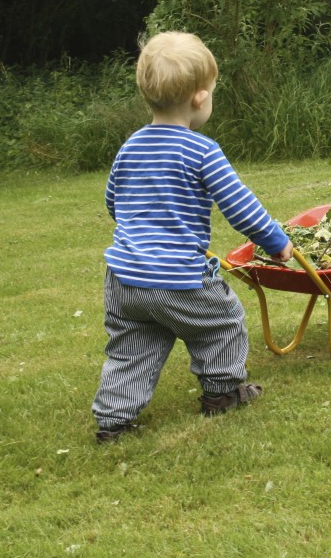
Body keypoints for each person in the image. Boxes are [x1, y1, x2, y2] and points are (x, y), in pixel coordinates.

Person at [91, 31, 293, 443]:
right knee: (222, 324)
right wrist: (276, 242)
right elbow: (241, 207)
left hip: (125, 279)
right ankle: (221, 393)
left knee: (133, 345)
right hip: (178, 278)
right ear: (200, 98)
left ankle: (113, 420)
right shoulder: (201, 151)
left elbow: (114, 201)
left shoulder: (130, 147)